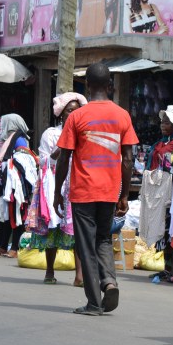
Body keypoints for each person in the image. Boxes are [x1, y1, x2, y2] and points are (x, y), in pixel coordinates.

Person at [54, 63, 139, 316]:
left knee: (85, 245)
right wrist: (124, 194)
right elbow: (128, 159)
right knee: (103, 238)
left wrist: (58, 190)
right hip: (109, 190)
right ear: (110, 85)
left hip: (83, 191)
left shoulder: (76, 117)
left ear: (87, 85)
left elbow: (64, 158)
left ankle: (93, 302)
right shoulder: (122, 115)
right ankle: (109, 282)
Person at [32, 93, 88, 286]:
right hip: (55, 184)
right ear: (61, 114)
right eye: (70, 111)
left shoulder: (85, 134)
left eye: (77, 111)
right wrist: (63, 145)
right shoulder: (51, 134)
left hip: (77, 183)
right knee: (53, 227)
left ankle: (79, 275)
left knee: (78, 229)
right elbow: (44, 160)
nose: (73, 114)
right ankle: (49, 270)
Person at [143, 106, 173, 284]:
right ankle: (166, 268)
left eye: (167, 122)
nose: (163, 124)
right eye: (162, 121)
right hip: (157, 192)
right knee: (162, 230)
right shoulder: (162, 142)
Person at [0, 114, 35, 259]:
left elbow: (23, 159)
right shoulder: (11, 138)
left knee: (16, 216)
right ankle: (2, 247)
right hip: (7, 182)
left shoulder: (19, 139)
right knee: (5, 217)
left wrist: (4, 165)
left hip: (16, 185)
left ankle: (14, 248)